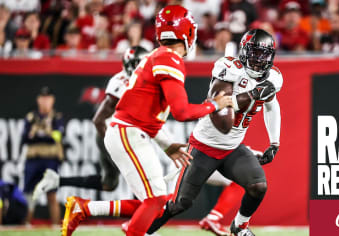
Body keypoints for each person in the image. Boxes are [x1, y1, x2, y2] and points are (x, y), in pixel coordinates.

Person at [61, 5, 232, 236]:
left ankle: (84, 208)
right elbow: (181, 112)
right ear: (188, 32)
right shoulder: (169, 59)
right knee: (157, 200)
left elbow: (144, 112)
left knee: (156, 202)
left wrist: (166, 145)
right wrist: (214, 105)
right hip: (128, 131)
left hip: (130, 130)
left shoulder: (157, 55)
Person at [146, 28, 282, 236]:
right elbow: (221, 117)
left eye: (264, 55)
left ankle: (240, 227)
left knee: (258, 186)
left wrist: (274, 142)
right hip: (204, 146)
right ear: (244, 52)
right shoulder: (229, 68)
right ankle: (140, 231)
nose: (258, 60)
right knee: (180, 203)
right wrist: (253, 94)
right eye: (254, 53)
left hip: (232, 148)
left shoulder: (273, 77)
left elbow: (272, 105)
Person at [33, 46, 148, 201]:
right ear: (131, 65)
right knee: (138, 175)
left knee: (109, 183)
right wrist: (114, 146)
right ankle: (144, 218)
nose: (145, 67)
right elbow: (98, 120)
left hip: (115, 134)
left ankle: (57, 180)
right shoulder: (123, 84)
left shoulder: (135, 81)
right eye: (141, 64)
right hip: (111, 135)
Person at [22, 86, 64, 225]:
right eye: (43, 98)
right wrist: (42, 133)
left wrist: (43, 132)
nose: (45, 101)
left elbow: (57, 137)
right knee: (29, 195)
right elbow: (25, 138)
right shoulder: (31, 117)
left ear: (52, 100)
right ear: (38, 100)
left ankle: (55, 226)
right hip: (33, 159)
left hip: (50, 160)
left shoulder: (57, 117)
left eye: (48, 98)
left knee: (51, 194)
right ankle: (26, 226)